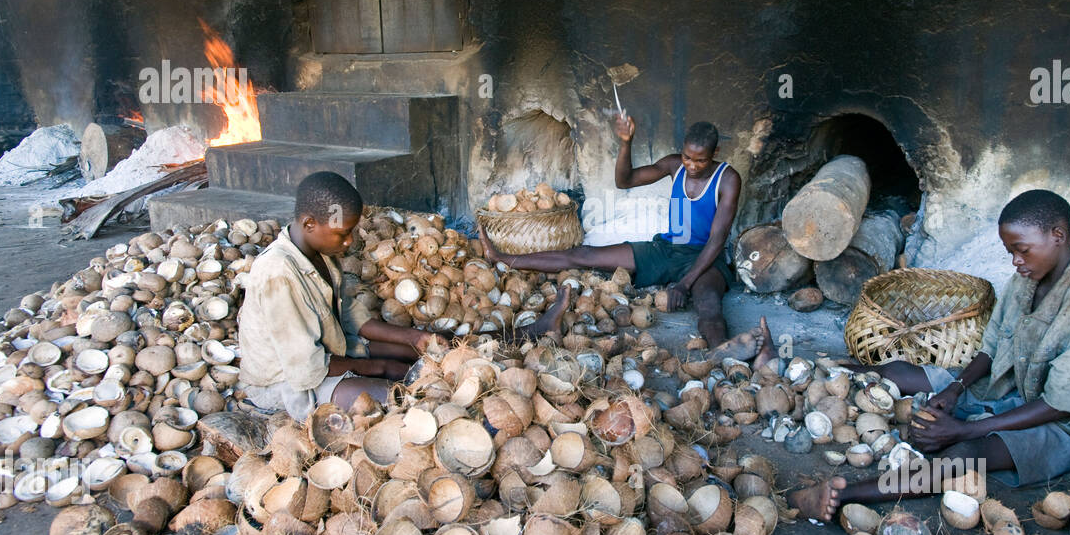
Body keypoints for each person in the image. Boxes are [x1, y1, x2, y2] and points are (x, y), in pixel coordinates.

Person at [789, 189, 1070, 522]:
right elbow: (992, 347)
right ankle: (805, 370)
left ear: (1058, 236)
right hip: (1010, 389)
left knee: (965, 455)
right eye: (1010, 252)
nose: (1016, 262)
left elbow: (1060, 403)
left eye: (1022, 251)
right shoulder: (1026, 280)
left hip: (1064, 426)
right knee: (902, 373)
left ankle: (845, 494)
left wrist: (964, 431)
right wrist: (955, 389)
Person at [239, 171, 573, 419]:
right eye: (343, 234)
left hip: (333, 351)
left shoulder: (319, 252)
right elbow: (308, 371)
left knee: (440, 347)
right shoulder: (278, 275)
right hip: (288, 386)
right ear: (309, 223)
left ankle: (528, 331)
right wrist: (379, 366)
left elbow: (352, 317)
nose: (350, 243)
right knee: (406, 399)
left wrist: (417, 337)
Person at [479, 111, 776, 367]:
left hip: (705, 258)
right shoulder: (674, 165)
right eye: (687, 157)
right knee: (584, 255)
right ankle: (503, 257)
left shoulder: (728, 179)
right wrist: (626, 142)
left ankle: (722, 351)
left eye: (700, 160)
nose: (692, 165)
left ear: (715, 153)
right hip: (666, 249)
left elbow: (716, 239)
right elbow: (625, 180)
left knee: (708, 302)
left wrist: (684, 284)